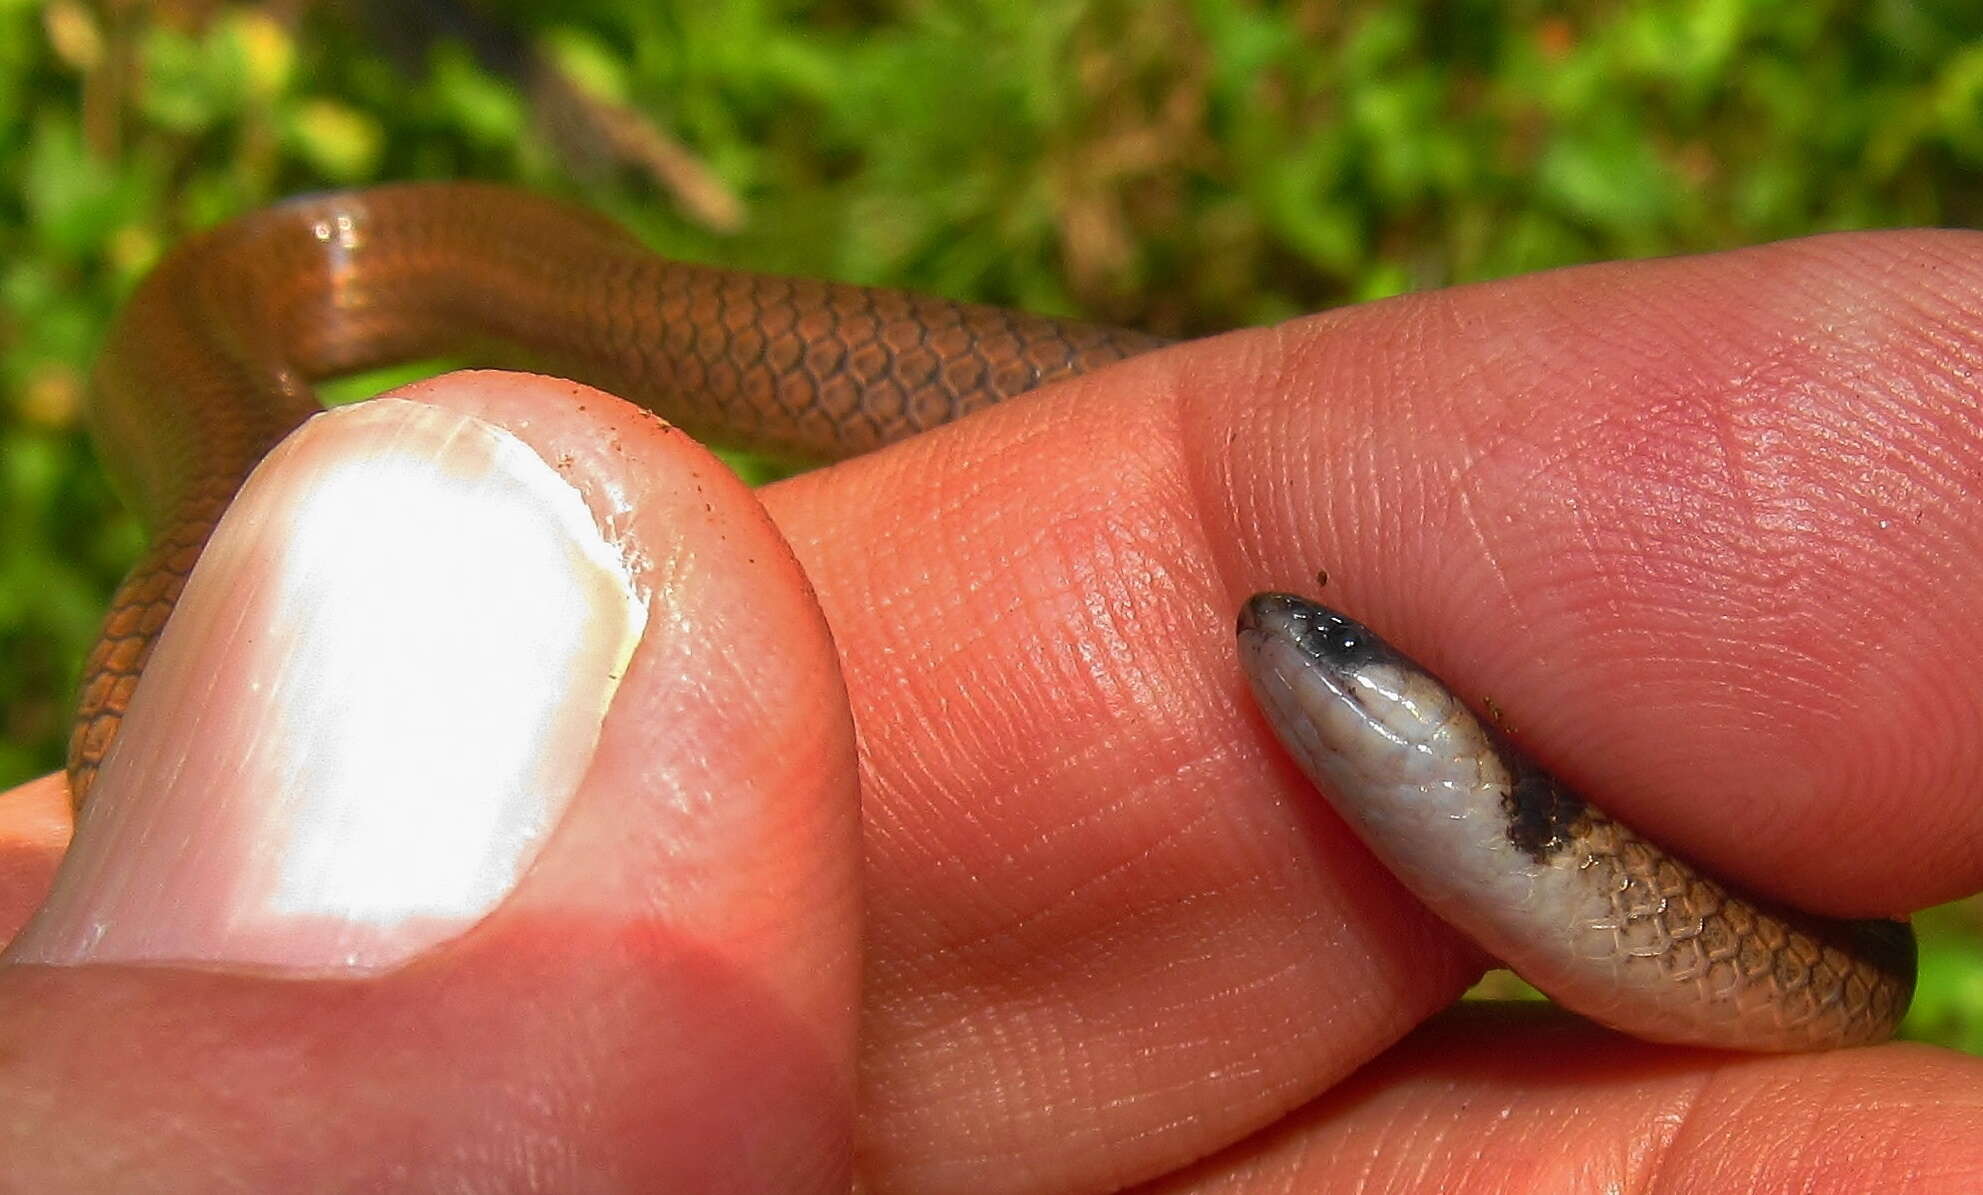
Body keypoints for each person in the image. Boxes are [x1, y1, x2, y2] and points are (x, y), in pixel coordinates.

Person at [0, 231, 1978, 1191]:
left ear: (1499, 774)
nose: (1298, 645)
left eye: (1356, 655)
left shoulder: (1686, 902)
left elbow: (1847, 960)